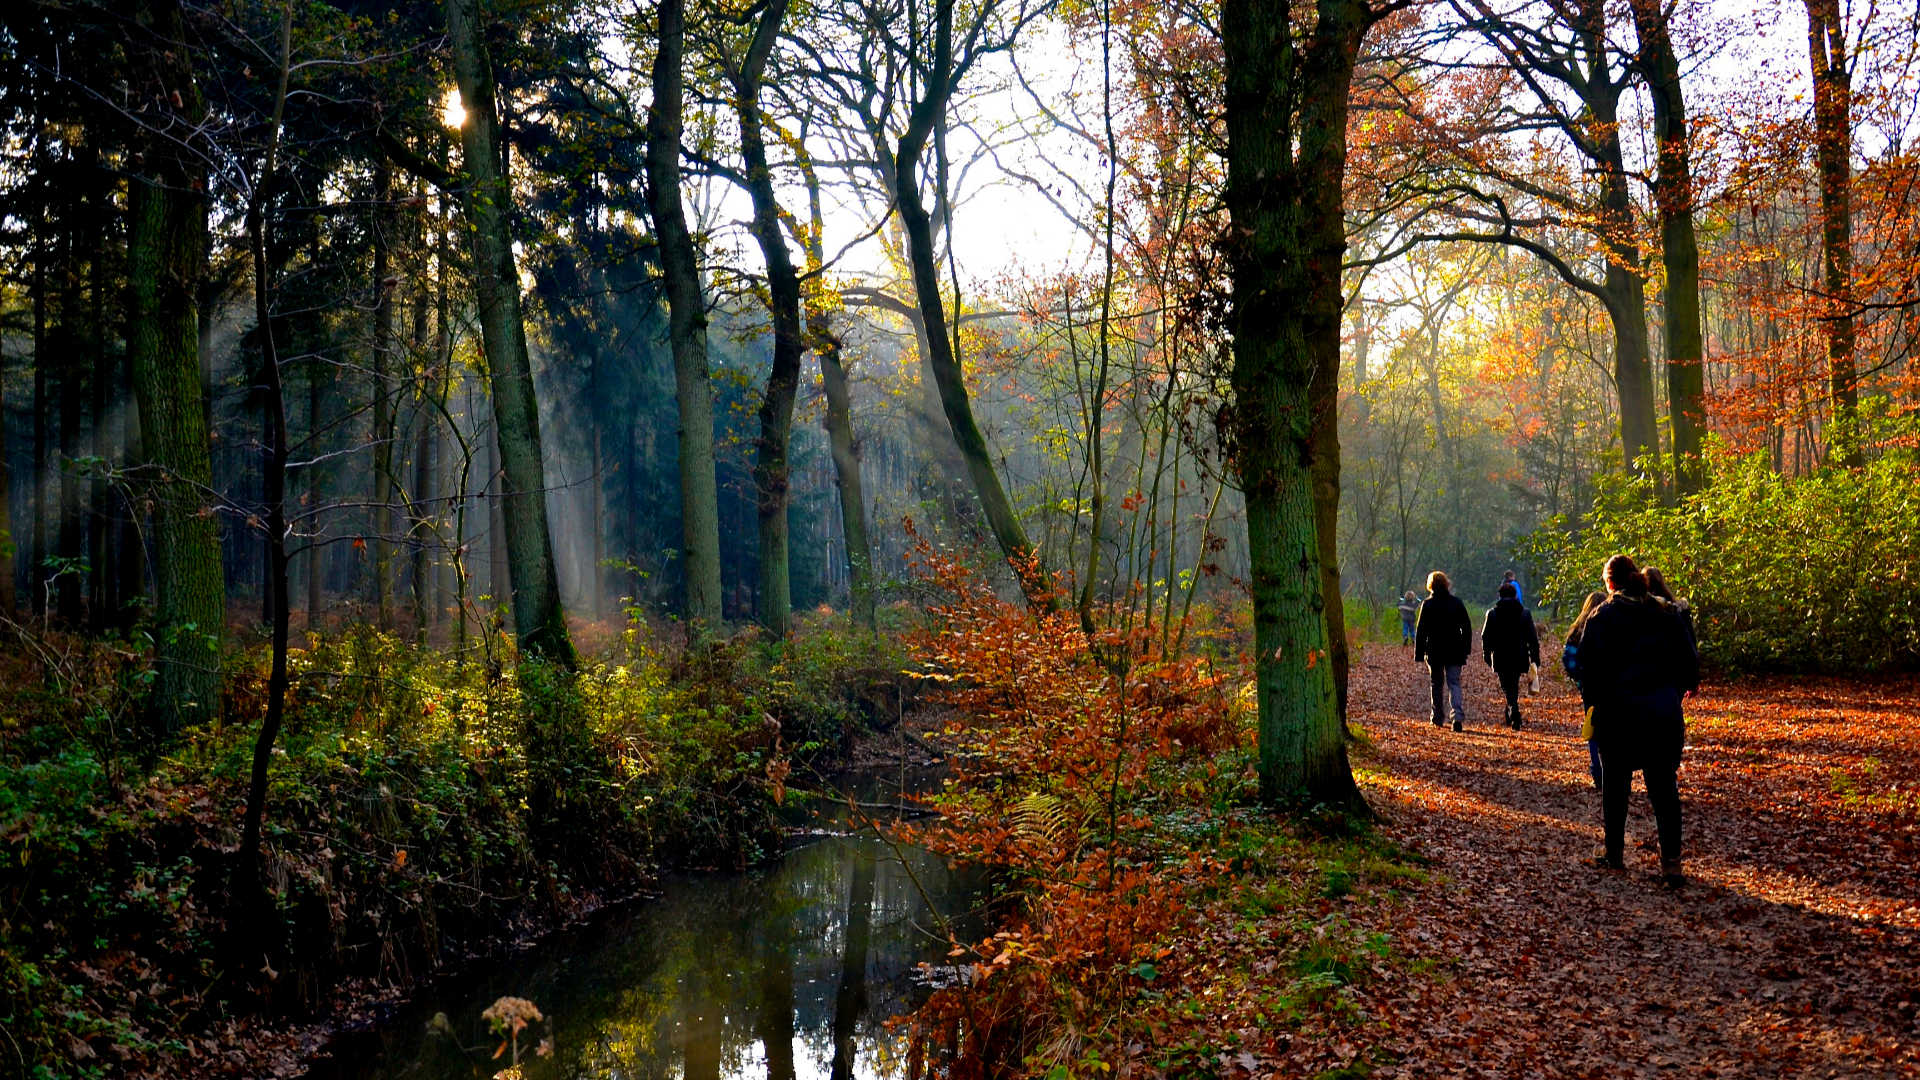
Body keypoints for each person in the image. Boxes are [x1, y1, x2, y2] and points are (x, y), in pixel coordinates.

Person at [1577, 555, 1699, 888]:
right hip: (1662, 714)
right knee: (1664, 790)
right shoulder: (1667, 614)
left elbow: (1588, 671)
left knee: (1615, 787)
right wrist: (1670, 695)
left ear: (1610, 583)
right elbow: (1691, 666)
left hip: (1617, 717)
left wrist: (1594, 708)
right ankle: (1671, 863)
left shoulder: (1602, 617)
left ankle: (1614, 854)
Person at [1562, 589, 1610, 790]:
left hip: (1589, 688)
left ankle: (1598, 771)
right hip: (1610, 686)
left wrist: (1580, 678)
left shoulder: (1577, 631)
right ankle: (1609, 770)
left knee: (1593, 728)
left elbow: (1568, 659)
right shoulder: (1610, 625)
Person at [1414, 570, 1473, 731]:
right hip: (1455, 650)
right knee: (1454, 683)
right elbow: (1466, 627)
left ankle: (1437, 717)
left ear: (1430, 585)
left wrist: (1419, 653)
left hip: (1434, 650)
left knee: (1436, 683)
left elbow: (1421, 630)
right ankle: (1457, 718)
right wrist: (1466, 648)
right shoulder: (1456, 603)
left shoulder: (1427, 604)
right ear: (1446, 584)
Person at [1481, 581, 1541, 730]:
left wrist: (1487, 654)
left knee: (1507, 685)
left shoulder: (1492, 613)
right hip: (1519, 655)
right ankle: (1511, 710)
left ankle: (1513, 711)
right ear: (1515, 596)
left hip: (1500, 655)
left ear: (1500, 596)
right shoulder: (1524, 613)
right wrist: (1535, 658)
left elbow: (1485, 636)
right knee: (1512, 684)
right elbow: (1532, 638)